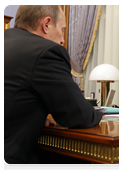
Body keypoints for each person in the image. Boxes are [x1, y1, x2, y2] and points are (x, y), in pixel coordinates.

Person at [4, 5, 103, 170]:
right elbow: (80, 116)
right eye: (62, 29)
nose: (63, 40)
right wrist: (102, 113)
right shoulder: (46, 52)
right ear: (46, 24)